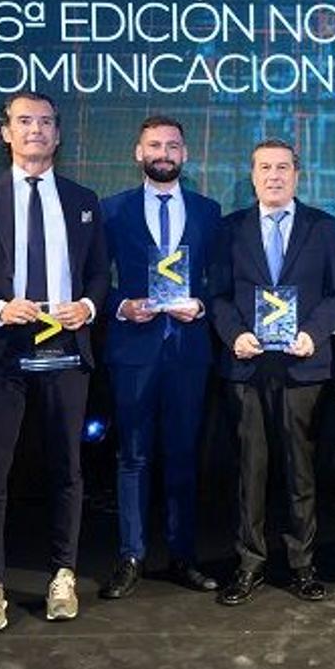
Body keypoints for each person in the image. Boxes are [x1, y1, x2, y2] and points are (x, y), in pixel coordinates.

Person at [0, 91, 109, 632]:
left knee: (67, 473)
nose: (35, 130)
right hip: (0, 354)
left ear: (58, 135)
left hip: (63, 352)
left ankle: (63, 574)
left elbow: (100, 274)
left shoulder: (83, 199)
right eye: (24, 121)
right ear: (5, 132)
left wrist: (89, 305)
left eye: (46, 122)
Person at [209, 138, 335, 605]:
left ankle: (302, 565)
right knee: (250, 470)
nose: (274, 175)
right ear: (252, 176)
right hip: (247, 366)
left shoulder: (323, 226)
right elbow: (220, 296)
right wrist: (234, 336)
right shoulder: (229, 229)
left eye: (283, 167)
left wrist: (313, 332)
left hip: (303, 364)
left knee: (301, 471)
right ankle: (249, 564)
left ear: (297, 174)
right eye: (265, 168)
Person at [97, 115, 221, 600]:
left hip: (189, 352)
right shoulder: (110, 211)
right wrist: (121, 306)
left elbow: (221, 279)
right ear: (138, 152)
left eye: (173, 145)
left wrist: (204, 303)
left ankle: (183, 556)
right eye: (154, 144)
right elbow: (92, 281)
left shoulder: (209, 212)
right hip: (133, 352)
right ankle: (131, 556)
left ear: (185, 155)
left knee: (184, 456)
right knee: (132, 457)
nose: (164, 152)